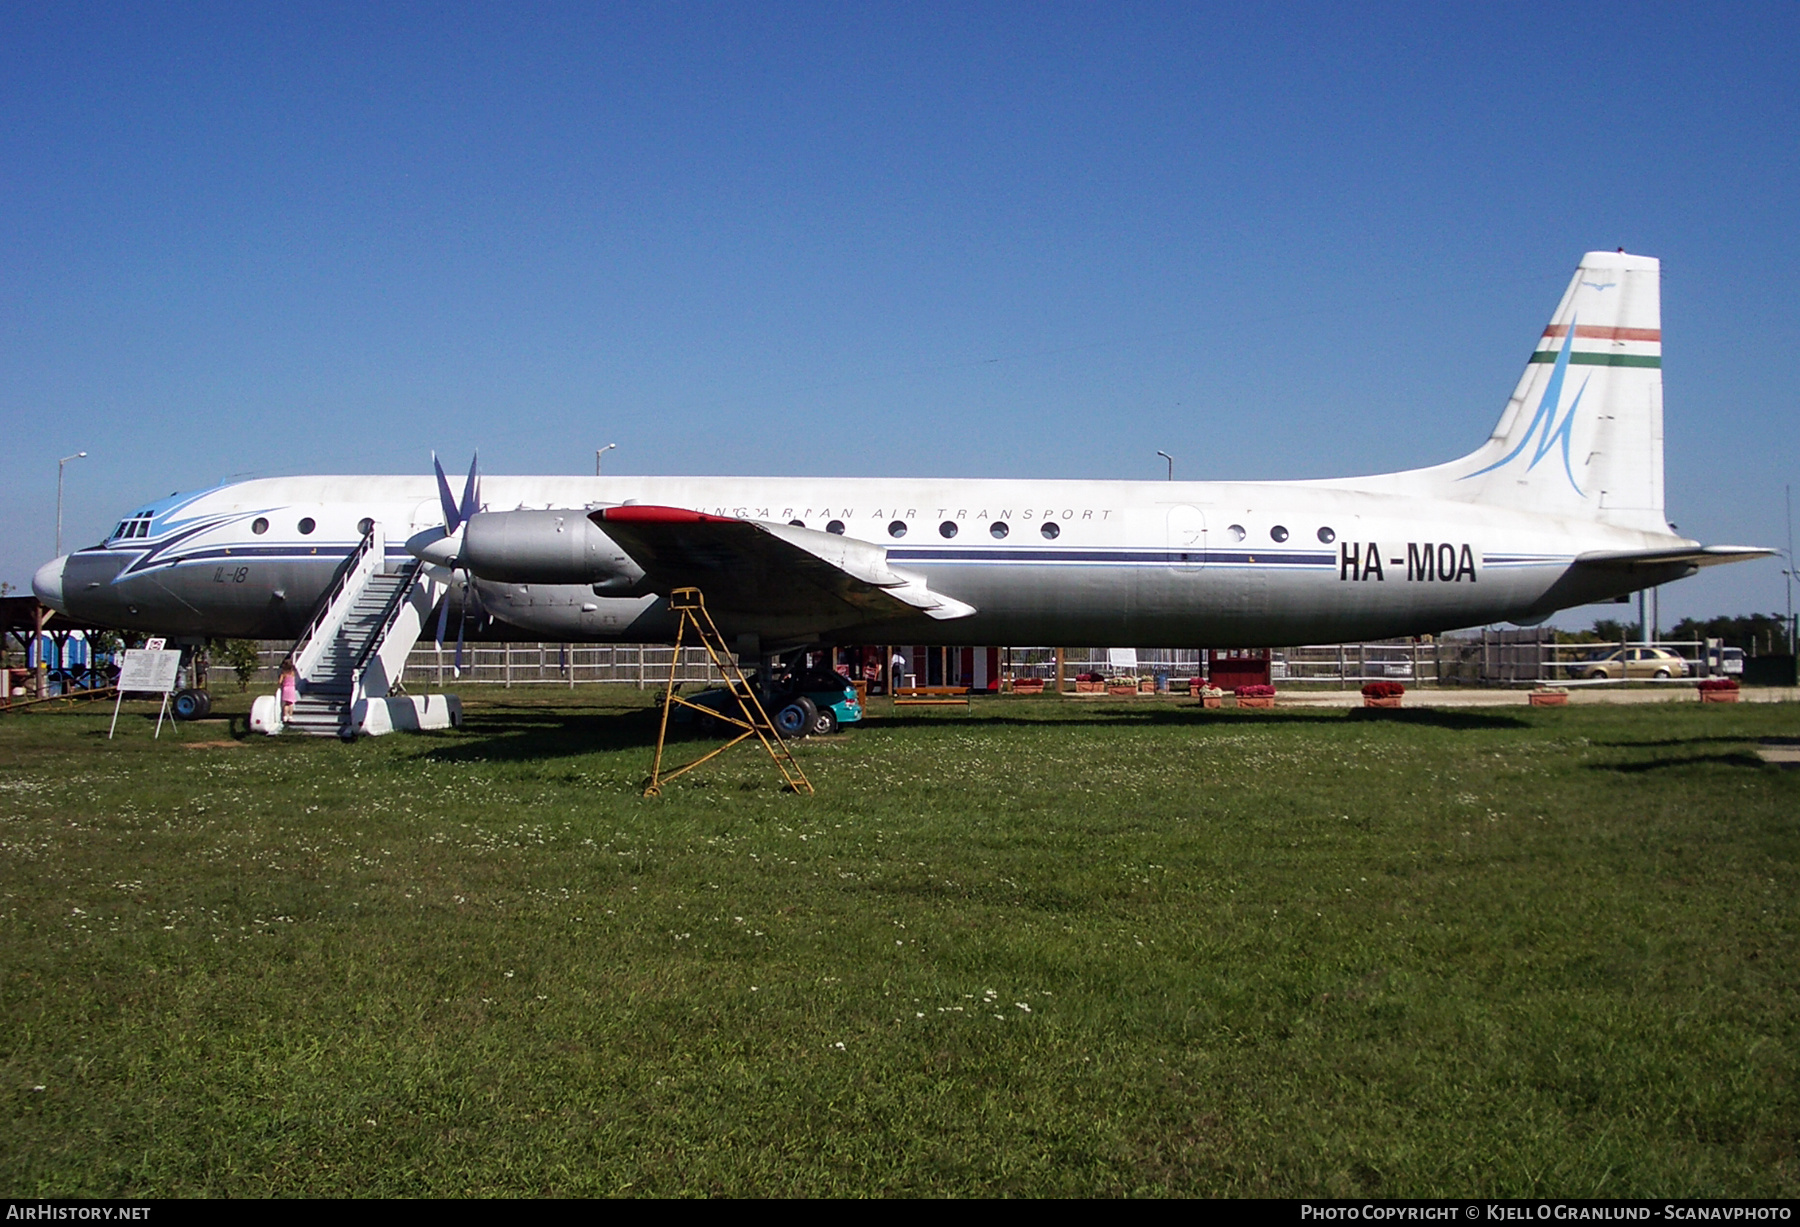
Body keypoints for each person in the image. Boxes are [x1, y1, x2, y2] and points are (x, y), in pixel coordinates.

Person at [278, 656, 298, 725]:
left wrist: (282, 683)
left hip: (285, 688)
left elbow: (280, 682)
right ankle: (290, 716)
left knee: (286, 703)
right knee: (291, 703)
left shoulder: (283, 673)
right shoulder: (292, 673)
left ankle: (285, 715)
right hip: (291, 688)